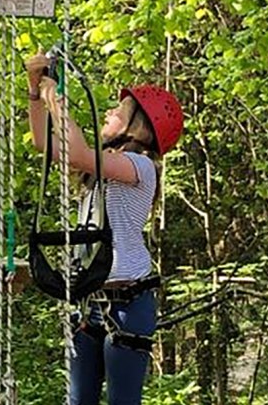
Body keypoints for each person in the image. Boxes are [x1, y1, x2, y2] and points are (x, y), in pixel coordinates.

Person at [24, 54, 184, 405]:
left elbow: (78, 152)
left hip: (127, 303)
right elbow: (42, 143)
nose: (110, 111)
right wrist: (35, 93)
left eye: (119, 110)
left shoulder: (140, 167)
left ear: (138, 126)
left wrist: (56, 100)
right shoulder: (102, 167)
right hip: (91, 301)